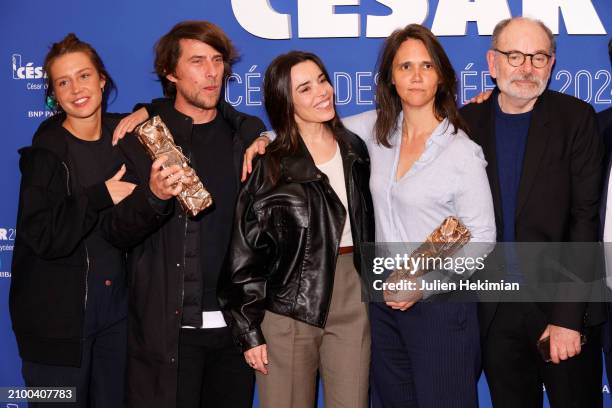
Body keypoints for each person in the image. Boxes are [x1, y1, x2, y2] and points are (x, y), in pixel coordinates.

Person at [244, 25, 496, 407]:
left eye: (427, 66)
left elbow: (482, 236)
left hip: (439, 308)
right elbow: (307, 127)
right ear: (390, 78)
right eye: (405, 66)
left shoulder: (462, 151)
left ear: (441, 75)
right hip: (380, 307)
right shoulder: (372, 131)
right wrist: (265, 139)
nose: (416, 75)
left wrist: (425, 285)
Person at [109, 21, 266, 408]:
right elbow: (115, 232)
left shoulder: (244, 139)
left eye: (217, 60)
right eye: (197, 61)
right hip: (169, 333)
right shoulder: (143, 142)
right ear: (171, 73)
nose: (212, 72)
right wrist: (154, 197)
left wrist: (260, 134)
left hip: (236, 331)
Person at [460, 17, 605, 407]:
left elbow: (584, 220)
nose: (527, 67)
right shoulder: (466, 122)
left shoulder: (576, 119)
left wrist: (567, 318)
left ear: (552, 63)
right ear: (493, 63)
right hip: (492, 313)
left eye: (539, 57)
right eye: (515, 55)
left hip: (561, 311)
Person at [218, 50, 374, 408]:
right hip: (288, 306)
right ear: (285, 102)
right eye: (304, 88)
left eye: (322, 80)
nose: (321, 92)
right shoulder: (268, 165)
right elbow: (244, 252)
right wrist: (248, 330)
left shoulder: (355, 149)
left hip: (353, 298)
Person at [9, 33, 153, 407]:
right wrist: (100, 195)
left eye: (84, 76)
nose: (76, 89)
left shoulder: (126, 135)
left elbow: (187, 114)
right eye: (63, 82)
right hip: (54, 331)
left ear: (102, 80)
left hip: (116, 319)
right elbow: (45, 237)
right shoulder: (45, 154)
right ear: (54, 94)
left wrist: (148, 110)